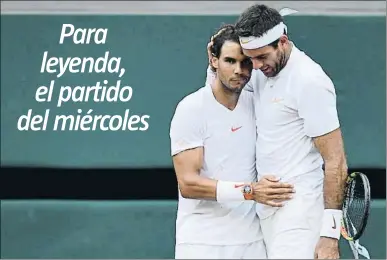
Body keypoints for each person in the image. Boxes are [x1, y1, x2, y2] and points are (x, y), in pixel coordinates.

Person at [205, 4, 348, 259]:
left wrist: (329, 235)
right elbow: (225, 100)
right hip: (264, 214)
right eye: (251, 59)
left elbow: (335, 161)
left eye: (261, 57)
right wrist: (214, 66)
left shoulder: (310, 81)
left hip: (300, 215)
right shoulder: (259, 71)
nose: (256, 66)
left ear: (282, 42)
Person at [169, 24, 295, 259]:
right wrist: (251, 191)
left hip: (252, 242)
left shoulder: (258, 101)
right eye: (229, 61)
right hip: (201, 244)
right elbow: (188, 184)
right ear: (213, 60)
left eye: (245, 62)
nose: (239, 70)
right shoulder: (191, 109)